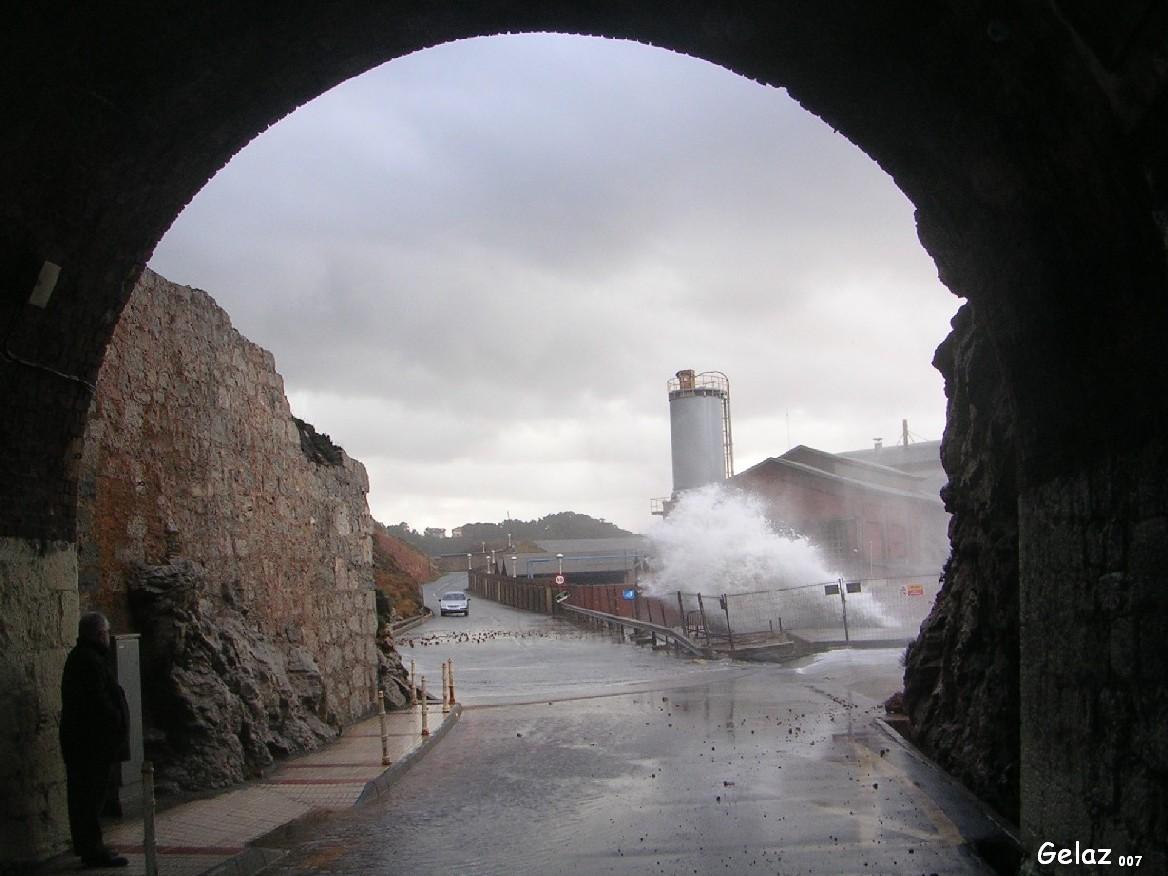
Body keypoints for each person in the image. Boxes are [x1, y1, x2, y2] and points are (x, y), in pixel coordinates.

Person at [59, 611, 130, 868]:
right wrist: (116, 722)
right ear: (99, 634)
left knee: (90, 797)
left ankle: (93, 845)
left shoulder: (85, 658)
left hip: (89, 744)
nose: (108, 637)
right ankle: (91, 851)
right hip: (90, 745)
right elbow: (97, 704)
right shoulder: (88, 661)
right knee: (88, 798)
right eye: (106, 632)